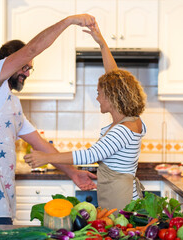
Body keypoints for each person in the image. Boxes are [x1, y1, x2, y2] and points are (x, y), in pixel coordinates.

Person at [0, 14, 98, 234]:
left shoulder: (12, 104)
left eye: (29, 69)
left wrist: (72, 173)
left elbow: (41, 144)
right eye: (24, 67)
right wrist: (69, 21)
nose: (27, 74)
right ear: (10, 61)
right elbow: (32, 48)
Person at [24, 22, 147, 212]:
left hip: (123, 205)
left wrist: (46, 157)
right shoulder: (132, 120)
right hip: (121, 197)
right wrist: (102, 44)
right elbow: (115, 78)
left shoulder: (122, 130)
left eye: (99, 93)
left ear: (112, 97)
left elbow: (90, 154)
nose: (97, 98)